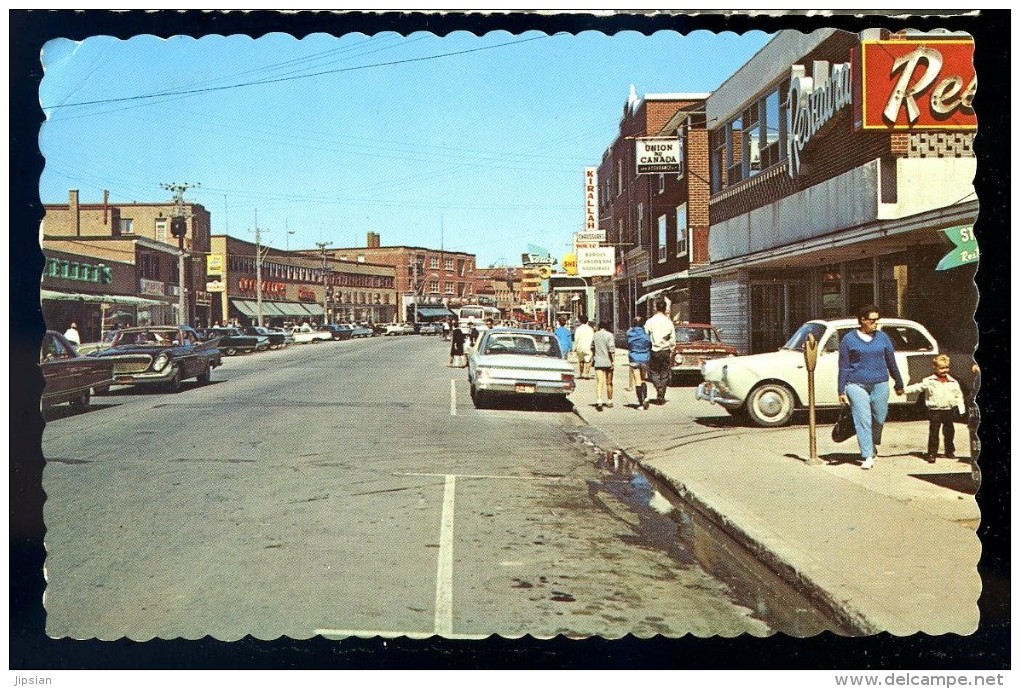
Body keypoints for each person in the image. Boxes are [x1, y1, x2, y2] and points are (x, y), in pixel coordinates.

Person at [838, 305, 905, 470]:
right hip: (855, 384)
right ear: (862, 320)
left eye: (877, 320)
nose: (876, 323)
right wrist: (841, 390)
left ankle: (872, 443)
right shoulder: (848, 339)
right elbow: (844, 366)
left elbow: (891, 362)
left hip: (880, 383)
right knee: (863, 420)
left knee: (879, 417)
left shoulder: (883, 338)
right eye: (872, 320)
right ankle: (867, 455)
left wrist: (899, 382)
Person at [903, 354, 967, 463]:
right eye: (941, 368)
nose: (944, 370)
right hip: (935, 410)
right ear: (935, 367)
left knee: (949, 431)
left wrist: (961, 409)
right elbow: (917, 387)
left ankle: (949, 450)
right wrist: (904, 390)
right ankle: (932, 453)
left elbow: (958, 396)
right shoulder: (929, 381)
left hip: (948, 410)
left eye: (946, 368)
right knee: (934, 432)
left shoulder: (953, 382)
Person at [644, 299, 676, 404]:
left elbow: (645, 335)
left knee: (653, 372)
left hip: (654, 350)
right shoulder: (669, 322)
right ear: (665, 308)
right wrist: (672, 349)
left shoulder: (650, 321)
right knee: (665, 373)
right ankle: (661, 394)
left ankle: (658, 386)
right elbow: (672, 338)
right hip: (665, 350)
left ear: (656, 308)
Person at [626, 316, 652, 410]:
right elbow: (649, 344)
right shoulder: (645, 334)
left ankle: (641, 403)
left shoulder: (630, 334)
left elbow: (628, 344)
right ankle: (645, 398)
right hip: (645, 358)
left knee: (637, 381)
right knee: (643, 379)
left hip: (634, 358)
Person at [591, 321, 615, 411]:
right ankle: (609, 401)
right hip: (608, 361)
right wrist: (613, 361)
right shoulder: (610, 335)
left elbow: (592, 347)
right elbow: (611, 349)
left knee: (599, 382)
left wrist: (594, 355)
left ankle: (599, 401)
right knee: (609, 382)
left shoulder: (595, 335)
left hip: (598, 361)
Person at [572, 315, 595, 379]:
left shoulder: (578, 329)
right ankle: (587, 374)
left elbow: (576, 339)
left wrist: (575, 347)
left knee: (581, 361)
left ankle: (581, 374)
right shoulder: (590, 329)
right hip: (588, 346)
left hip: (580, 346)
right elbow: (593, 338)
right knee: (588, 360)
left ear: (580, 321)